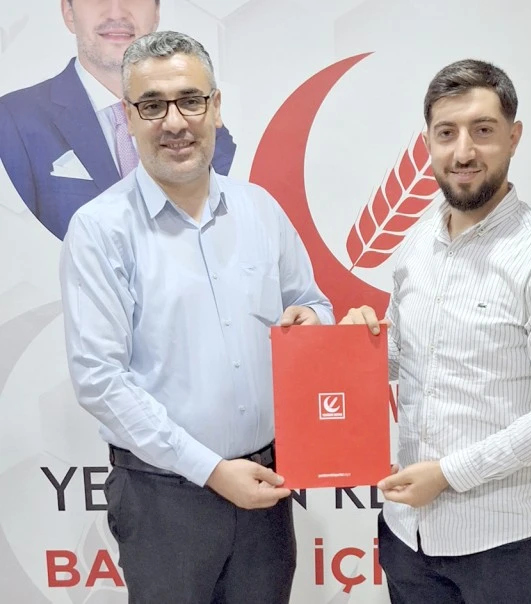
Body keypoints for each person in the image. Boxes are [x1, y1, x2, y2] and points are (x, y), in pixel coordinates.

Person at [59, 30, 332, 604]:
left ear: (216, 107)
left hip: (266, 487)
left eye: (190, 100)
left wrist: (310, 320)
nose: (175, 122)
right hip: (163, 497)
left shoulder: (260, 209)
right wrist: (210, 469)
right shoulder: (100, 229)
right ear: (128, 118)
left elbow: (314, 303)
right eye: (152, 106)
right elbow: (100, 379)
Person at [341, 59, 531, 603]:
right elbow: (405, 359)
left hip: (507, 545)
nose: (463, 152)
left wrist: (450, 473)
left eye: (482, 130)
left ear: (513, 137)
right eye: (446, 133)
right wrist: (349, 345)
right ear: (427, 143)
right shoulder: (416, 244)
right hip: (408, 536)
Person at [0, 0, 236, 240]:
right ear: (68, 12)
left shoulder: (205, 129)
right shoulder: (14, 119)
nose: (116, 12)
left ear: (156, 13)